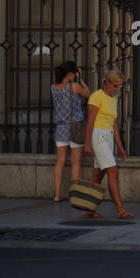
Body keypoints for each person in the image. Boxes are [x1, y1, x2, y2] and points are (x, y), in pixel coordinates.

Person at [83, 69, 132, 220]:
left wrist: (120, 146)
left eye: (120, 86)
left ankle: (88, 209)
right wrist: (87, 144)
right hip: (98, 136)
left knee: (98, 176)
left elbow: (114, 125)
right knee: (113, 171)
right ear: (107, 83)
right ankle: (120, 209)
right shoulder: (96, 96)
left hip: (108, 137)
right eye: (116, 86)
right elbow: (90, 121)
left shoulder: (113, 99)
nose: (118, 89)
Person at [50, 60, 90, 202]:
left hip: (60, 127)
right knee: (75, 161)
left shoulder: (53, 87)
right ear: (71, 74)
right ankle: (74, 193)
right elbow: (89, 94)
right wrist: (81, 80)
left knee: (60, 161)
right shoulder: (74, 86)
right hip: (75, 127)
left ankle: (57, 194)